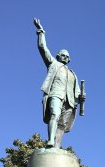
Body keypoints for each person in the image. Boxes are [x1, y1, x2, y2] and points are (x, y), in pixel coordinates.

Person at [34, 18, 85, 148]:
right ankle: (50, 140)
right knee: (54, 115)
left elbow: (77, 92)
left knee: (62, 124)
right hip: (56, 94)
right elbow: (42, 48)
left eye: (67, 56)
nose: (65, 58)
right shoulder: (53, 64)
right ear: (58, 56)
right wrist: (41, 32)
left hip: (69, 101)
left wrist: (81, 97)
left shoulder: (73, 74)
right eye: (63, 55)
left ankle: (57, 145)